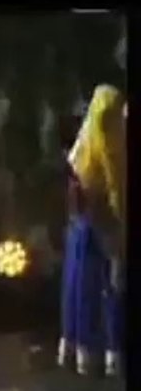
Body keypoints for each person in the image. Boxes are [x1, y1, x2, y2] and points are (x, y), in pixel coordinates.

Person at [57, 85, 125, 376]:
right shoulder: (108, 130)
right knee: (112, 283)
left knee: (79, 283)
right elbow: (115, 181)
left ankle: (78, 349)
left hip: (82, 217)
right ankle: (112, 352)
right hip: (102, 216)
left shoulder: (84, 142)